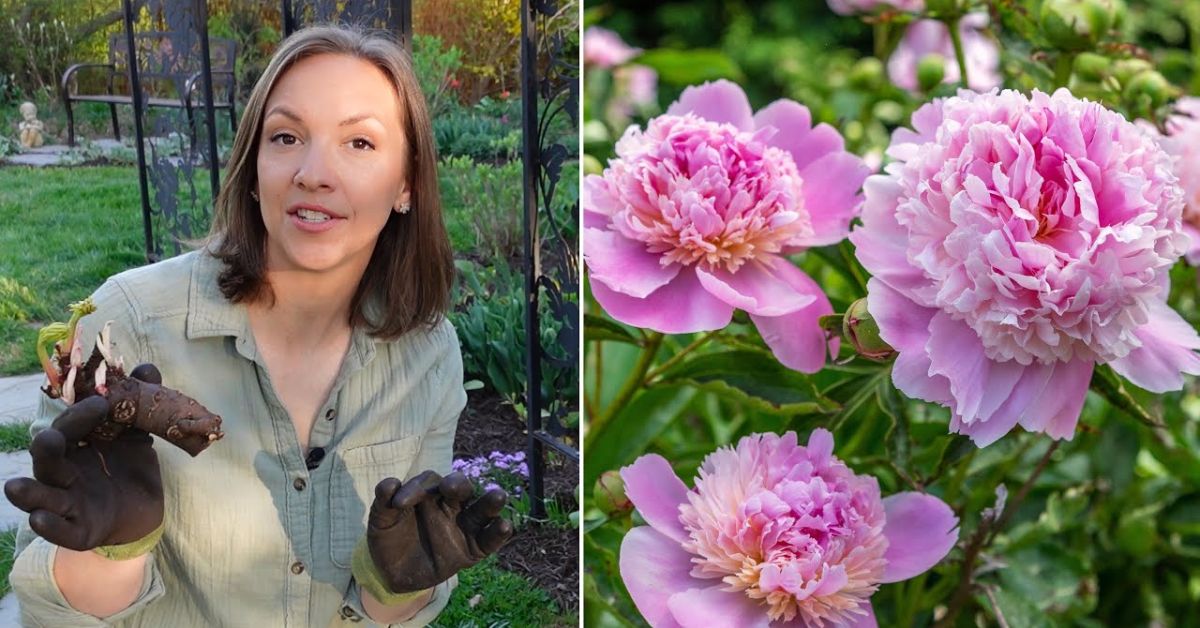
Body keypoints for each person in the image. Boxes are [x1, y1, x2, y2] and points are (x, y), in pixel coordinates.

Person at [3, 24, 512, 627]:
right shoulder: (126, 326)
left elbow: (390, 609)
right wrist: (113, 553)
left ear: (406, 184)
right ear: (253, 167)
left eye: (360, 144)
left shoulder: (428, 352)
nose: (315, 172)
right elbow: (51, 616)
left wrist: (397, 586)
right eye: (288, 136)